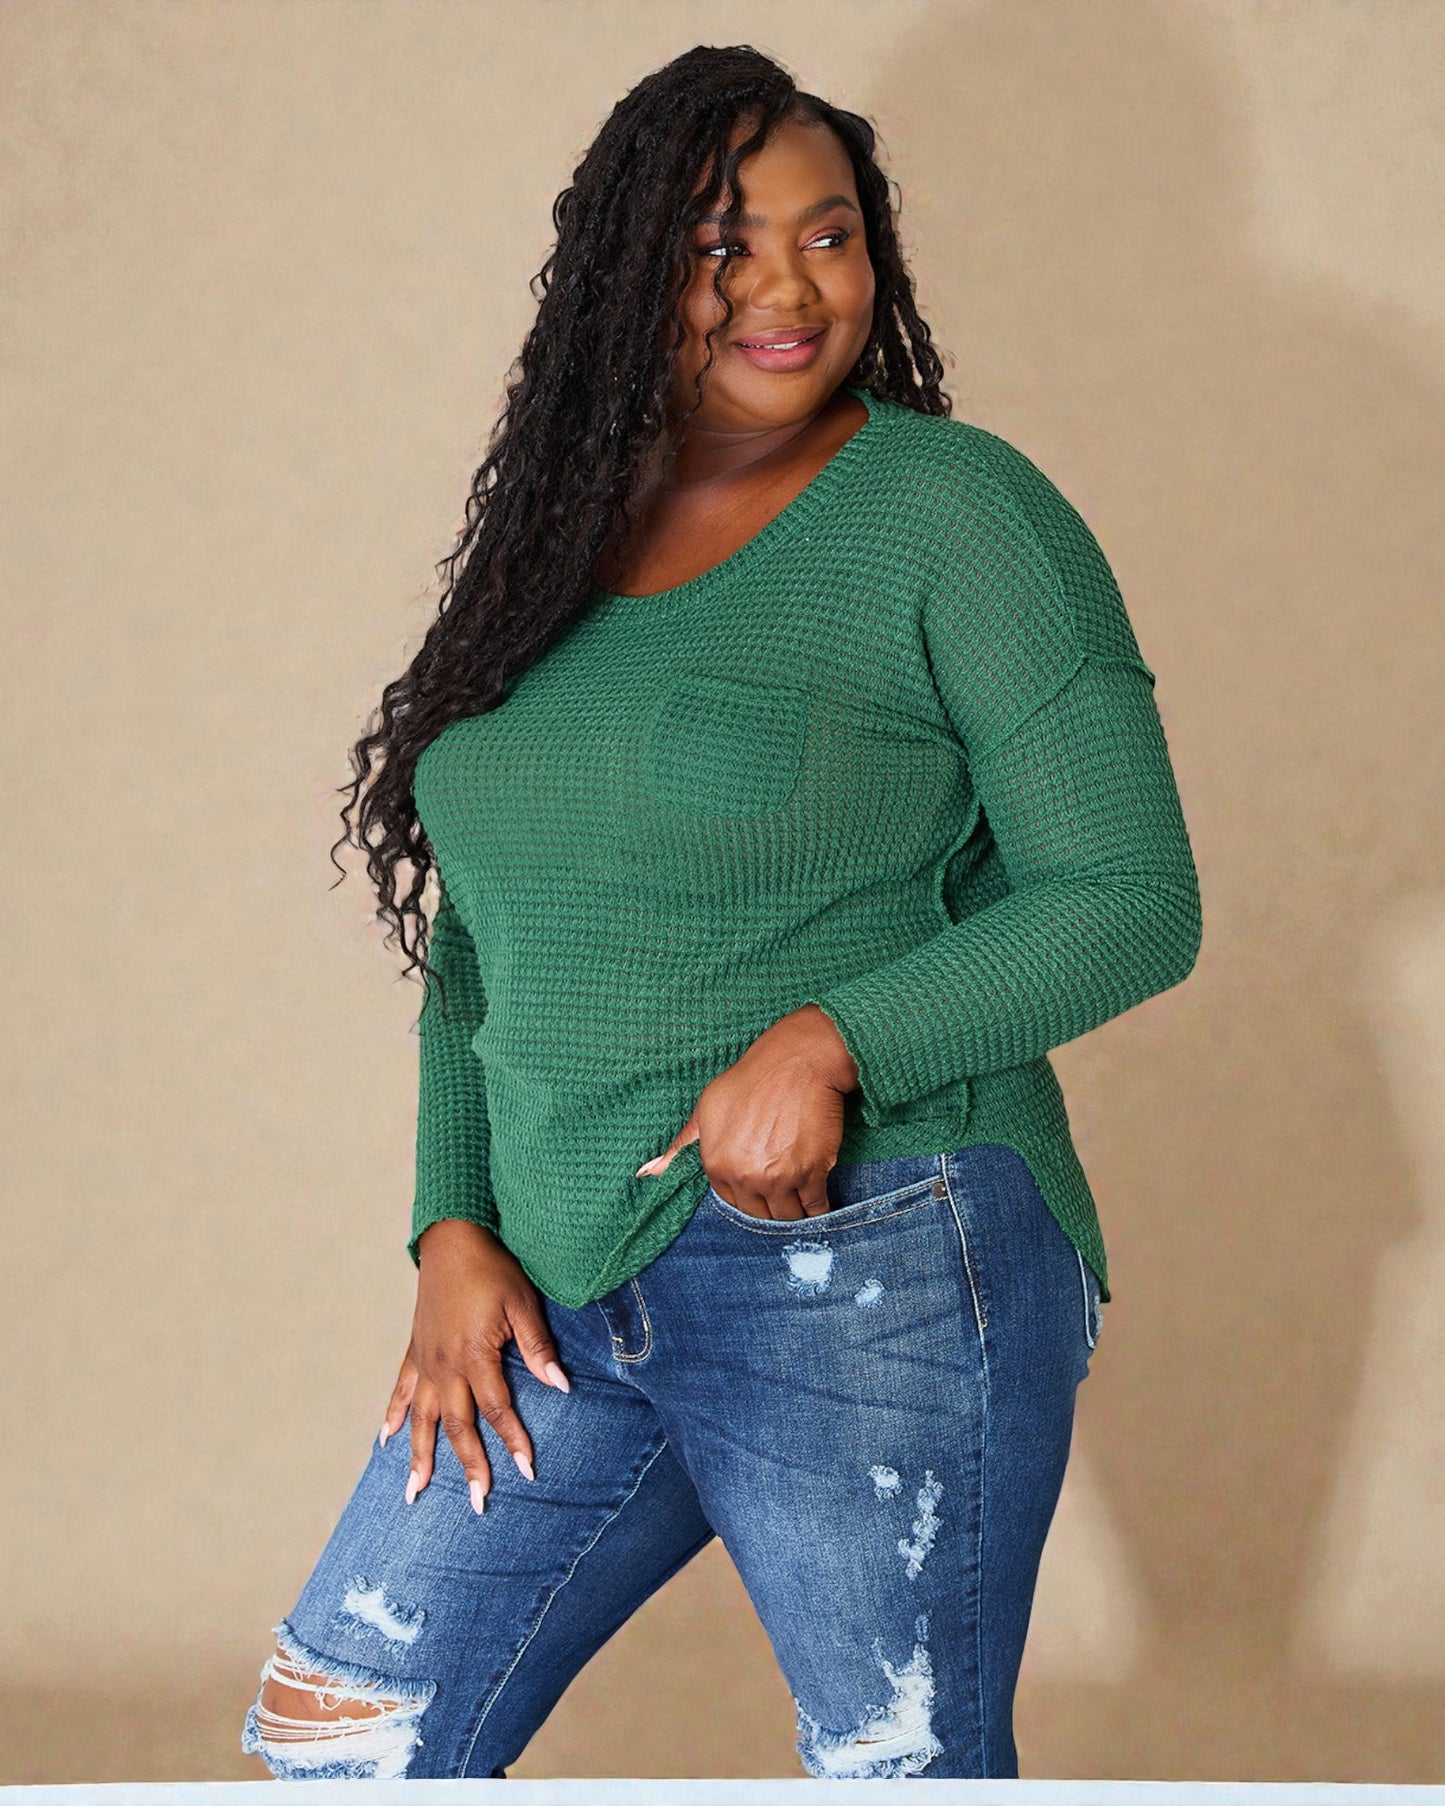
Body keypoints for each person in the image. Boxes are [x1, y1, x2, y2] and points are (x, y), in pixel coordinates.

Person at [241, 43, 1201, 1782]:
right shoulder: (553, 542)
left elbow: (1129, 896)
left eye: (825, 237)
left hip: (873, 1253)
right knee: (343, 1741)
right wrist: (446, 1227)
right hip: (552, 1281)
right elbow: (479, 950)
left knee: (893, 1771)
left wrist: (838, 1038)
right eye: (718, 243)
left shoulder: (951, 512)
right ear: (627, 274)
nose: (783, 286)